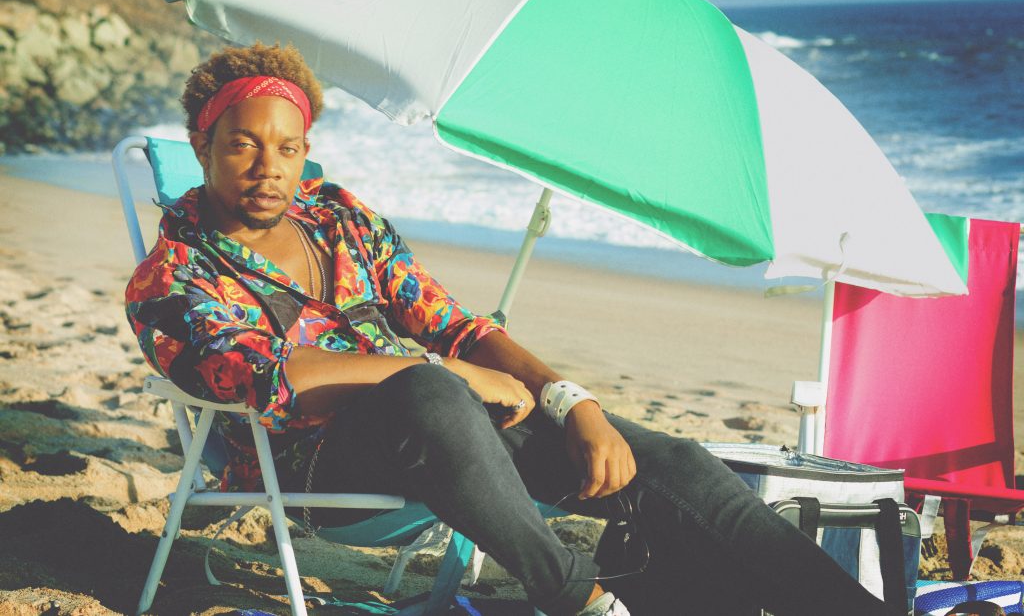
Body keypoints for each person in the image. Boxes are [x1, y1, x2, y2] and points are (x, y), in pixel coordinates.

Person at [125, 43, 901, 616]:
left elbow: (452, 325)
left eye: (288, 148)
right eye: (243, 144)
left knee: (671, 463)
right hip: (313, 468)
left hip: (447, 438)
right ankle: (575, 596)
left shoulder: (338, 220)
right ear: (202, 146)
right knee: (430, 387)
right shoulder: (174, 274)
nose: (268, 166)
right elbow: (274, 378)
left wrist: (572, 401)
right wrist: (450, 376)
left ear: (306, 154)